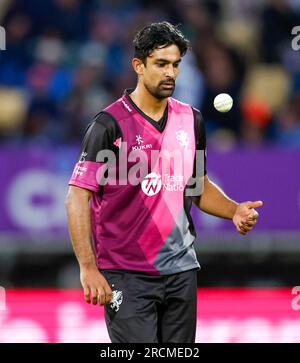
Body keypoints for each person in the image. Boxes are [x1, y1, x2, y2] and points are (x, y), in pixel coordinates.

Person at [65, 22, 263, 343]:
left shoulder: (191, 119)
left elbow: (196, 186)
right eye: (161, 64)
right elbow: (76, 198)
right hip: (125, 274)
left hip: (182, 270)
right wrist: (88, 268)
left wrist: (234, 210)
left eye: (175, 64)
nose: (170, 72)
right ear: (139, 66)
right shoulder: (108, 125)